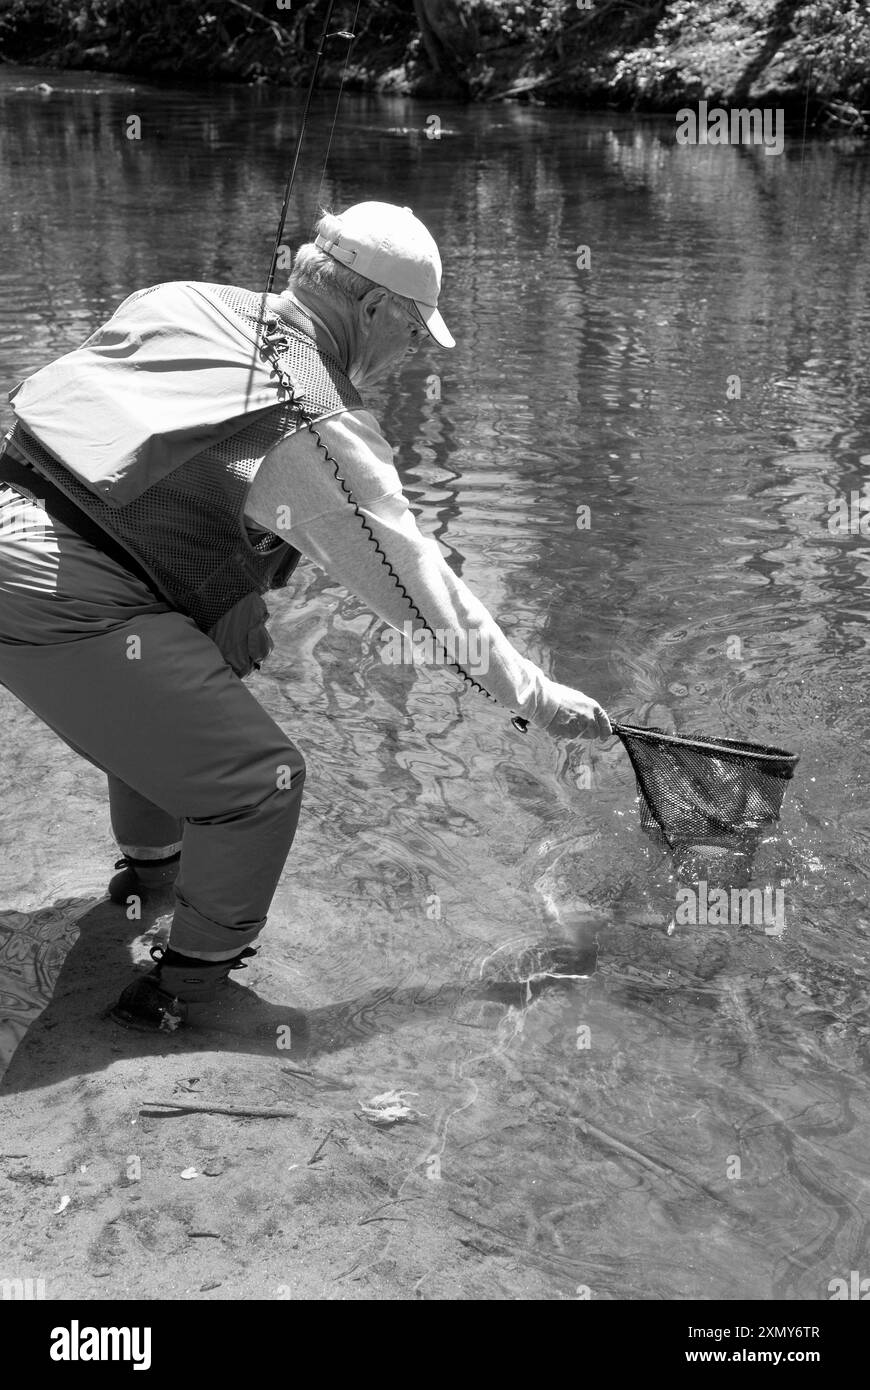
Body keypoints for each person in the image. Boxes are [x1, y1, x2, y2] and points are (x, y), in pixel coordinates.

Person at [0, 200, 611, 1033]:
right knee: (260, 784)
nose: (405, 353)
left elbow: (125, 454)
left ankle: (149, 882)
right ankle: (181, 997)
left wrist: (221, 587)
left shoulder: (180, 297)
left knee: (173, 693)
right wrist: (536, 695)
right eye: (412, 330)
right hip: (57, 595)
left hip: (16, 527)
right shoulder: (317, 419)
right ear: (371, 307)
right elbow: (422, 591)